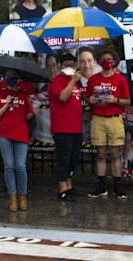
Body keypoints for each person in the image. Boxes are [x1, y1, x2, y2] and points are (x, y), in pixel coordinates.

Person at [85, 48, 130, 199]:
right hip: (98, 118)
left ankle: (118, 185)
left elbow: (127, 100)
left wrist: (116, 100)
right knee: (101, 153)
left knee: (115, 153)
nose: (106, 61)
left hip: (114, 118)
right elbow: (87, 98)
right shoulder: (93, 79)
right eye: (103, 59)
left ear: (114, 62)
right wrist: (90, 100)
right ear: (99, 61)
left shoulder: (120, 80)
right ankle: (101, 185)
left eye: (109, 59)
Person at [0, 70, 34, 212]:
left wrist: (35, 110)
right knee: (9, 166)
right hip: (4, 133)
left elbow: (28, 115)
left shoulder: (23, 93)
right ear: (4, 77)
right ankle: (12, 197)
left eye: (14, 76)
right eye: (8, 75)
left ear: (18, 78)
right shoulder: (1, 93)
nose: (11, 78)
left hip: (21, 133)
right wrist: (6, 104)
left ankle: (23, 196)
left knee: (20, 166)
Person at [48, 54, 83, 202]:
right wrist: (73, 80)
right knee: (63, 158)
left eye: (72, 64)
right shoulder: (56, 81)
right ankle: (62, 188)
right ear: (61, 66)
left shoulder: (76, 82)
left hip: (76, 127)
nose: (70, 67)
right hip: (62, 128)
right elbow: (63, 97)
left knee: (73, 159)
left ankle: (69, 185)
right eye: (67, 64)